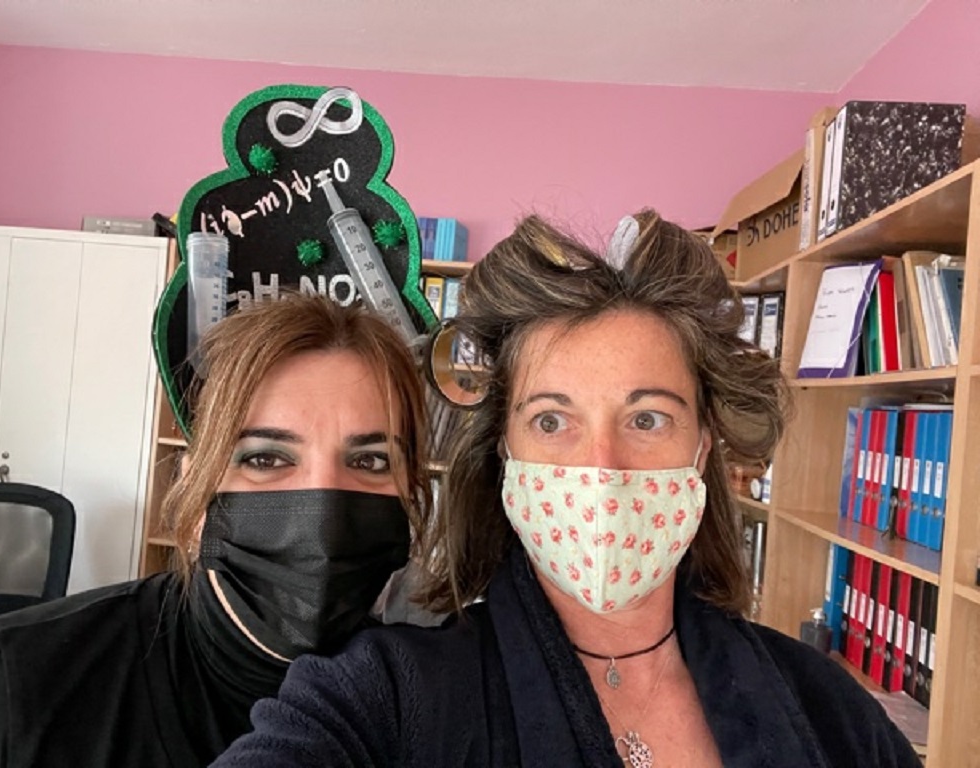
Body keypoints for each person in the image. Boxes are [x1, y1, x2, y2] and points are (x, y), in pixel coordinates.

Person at [212, 210, 922, 767]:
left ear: (703, 444)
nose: (602, 468)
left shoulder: (826, 707)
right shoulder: (387, 696)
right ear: (504, 450)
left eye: (647, 418)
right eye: (552, 421)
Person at [0, 293, 433, 767]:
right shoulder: (12, 686)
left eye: (370, 461)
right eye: (265, 458)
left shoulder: (428, 710)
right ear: (195, 490)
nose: (325, 515)